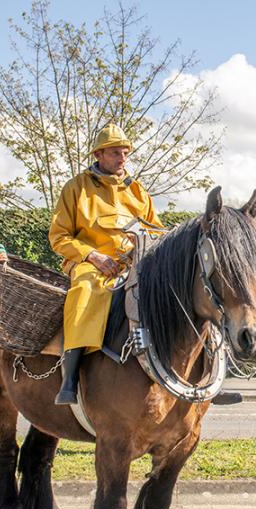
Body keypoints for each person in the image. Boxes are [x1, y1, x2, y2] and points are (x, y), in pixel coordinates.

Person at [48, 124, 163, 405]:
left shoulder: (138, 191)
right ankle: (70, 378)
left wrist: (145, 244)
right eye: (115, 153)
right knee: (85, 290)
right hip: (91, 263)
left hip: (132, 263)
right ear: (98, 154)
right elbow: (59, 236)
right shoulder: (76, 188)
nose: (122, 158)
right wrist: (94, 257)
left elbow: (157, 231)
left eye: (125, 153)